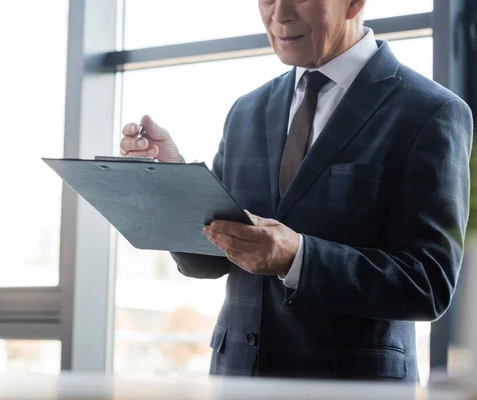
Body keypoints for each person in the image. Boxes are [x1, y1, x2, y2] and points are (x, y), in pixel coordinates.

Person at [120, 0, 474, 382]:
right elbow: (206, 261)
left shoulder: (430, 111)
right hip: (237, 379)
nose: (280, 14)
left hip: (351, 388)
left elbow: (429, 283)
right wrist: (175, 182)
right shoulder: (246, 110)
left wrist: (298, 258)